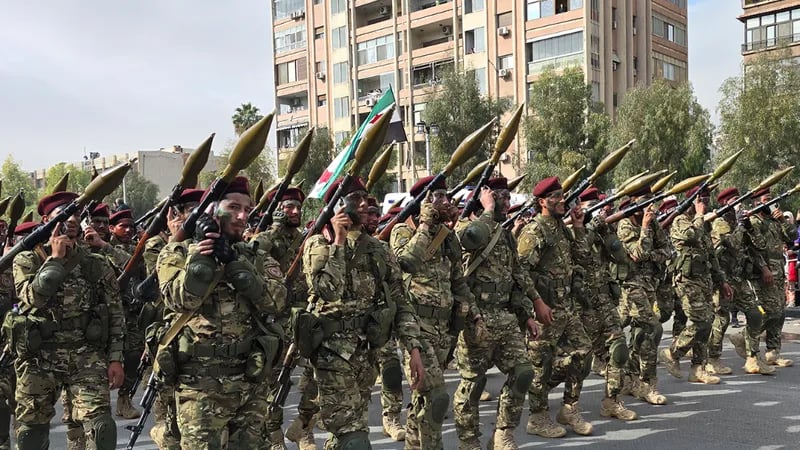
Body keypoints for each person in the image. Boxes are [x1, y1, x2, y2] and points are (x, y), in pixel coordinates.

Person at [157, 176, 287, 448]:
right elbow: (178, 300)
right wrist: (201, 258)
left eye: (247, 209)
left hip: (250, 379)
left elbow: (276, 302)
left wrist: (236, 263)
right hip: (200, 385)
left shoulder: (255, 256)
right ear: (211, 210)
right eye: (234, 207)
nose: (242, 216)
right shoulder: (177, 253)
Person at [302, 177, 425, 450]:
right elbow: (327, 290)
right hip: (332, 354)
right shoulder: (319, 244)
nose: (363, 204)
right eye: (355, 198)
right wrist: (339, 241)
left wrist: (413, 349)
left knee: (350, 432)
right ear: (338, 206)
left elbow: (399, 300)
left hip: (366, 353)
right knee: (354, 438)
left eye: (364, 198)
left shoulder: (378, 249)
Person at [12, 191, 126, 449]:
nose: (72, 220)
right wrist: (54, 260)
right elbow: (32, 298)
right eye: (64, 215)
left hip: (86, 354)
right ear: (46, 221)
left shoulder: (95, 262)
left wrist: (115, 358)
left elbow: (115, 312)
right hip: (40, 355)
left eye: (76, 214)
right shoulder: (28, 259)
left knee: (101, 429)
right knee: (31, 433)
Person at [390, 177, 476, 449]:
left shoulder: (446, 235)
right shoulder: (403, 230)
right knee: (436, 397)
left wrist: (473, 314)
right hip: (416, 326)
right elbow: (407, 262)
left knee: (423, 397)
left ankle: (414, 445)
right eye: (437, 196)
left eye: (445, 196)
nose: (445, 201)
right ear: (422, 202)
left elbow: (458, 280)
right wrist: (426, 226)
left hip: (443, 327)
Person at [455, 177, 540, 449]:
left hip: (505, 318)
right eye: (501, 196)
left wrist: (530, 309)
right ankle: (469, 441)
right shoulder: (466, 228)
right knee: (473, 385)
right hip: (475, 319)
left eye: (507, 197)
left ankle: (503, 432)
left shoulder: (504, 234)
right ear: (485, 198)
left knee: (523, 372)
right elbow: (468, 246)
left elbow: (516, 274)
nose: (507, 202)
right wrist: (488, 211)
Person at [518, 176, 593, 438]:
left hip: (566, 306)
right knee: (541, 364)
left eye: (563, 195)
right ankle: (537, 418)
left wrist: (579, 227)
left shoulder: (562, 228)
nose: (563, 200)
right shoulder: (534, 232)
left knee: (584, 351)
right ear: (542, 202)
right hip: (545, 309)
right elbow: (521, 272)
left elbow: (583, 258)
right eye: (556, 197)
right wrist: (536, 303)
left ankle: (569, 408)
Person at [257, 186, 319, 450]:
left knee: (318, 374)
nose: (295, 211)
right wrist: (274, 227)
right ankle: (273, 433)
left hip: (304, 317)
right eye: (288, 207)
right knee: (275, 382)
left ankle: (303, 426)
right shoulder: (267, 239)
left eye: (298, 207)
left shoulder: (307, 238)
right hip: (277, 321)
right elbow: (255, 255)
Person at [141, 188, 203, 450]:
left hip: (200, 339)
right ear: (176, 214)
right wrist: (176, 238)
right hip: (170, 335)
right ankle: (163, 435)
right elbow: (160, 285)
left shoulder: (206, 240)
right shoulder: (159, 245)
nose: (197, 214)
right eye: (191, 210)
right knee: (168, 408)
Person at [574, 187, 639, 418]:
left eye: (601, 207)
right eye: (593, 207)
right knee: (579, 358)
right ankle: (567, 406)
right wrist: (590, 229)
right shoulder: (572, 229)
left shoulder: (601, 231)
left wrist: (607, 231)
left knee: (619, 348)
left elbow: (620, 257)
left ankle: (612, 400)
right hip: (581, 303)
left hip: (604, 299)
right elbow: (579, 253)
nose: (600, 212)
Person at [660, 186, 733, 384]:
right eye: (701, 199)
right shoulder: (679, 220)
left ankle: (698, 368)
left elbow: (711, 255)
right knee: (700, 322)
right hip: (687, 280)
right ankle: (672, 352)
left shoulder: (702, 223)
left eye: (707, 199)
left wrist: (722, 281)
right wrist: (700, 215)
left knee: (707, 323)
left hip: (704, 280)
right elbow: (691, 235)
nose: (705, 203)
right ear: (692, 201)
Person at [615, 183, 671, 405]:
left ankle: (630, 378)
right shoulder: (625, 225)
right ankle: (648, 384)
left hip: (649, 284)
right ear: (633, 202)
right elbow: (637, 254)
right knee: (652, 328)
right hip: (631, 285)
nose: (650, 206)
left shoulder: (653, 223)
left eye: (651, 201)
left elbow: (666, 250)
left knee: (639, 333)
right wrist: (646, 228)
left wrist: (650, 252)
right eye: (645, 201)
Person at [709, 187, 774, 375]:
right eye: (735, 200)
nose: (739, 204)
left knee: (755, 314)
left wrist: (750, 227)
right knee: (722, 319)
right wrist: (739, 225)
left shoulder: (742, 222)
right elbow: (732, 245)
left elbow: (759, 246)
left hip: (739, 278)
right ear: (725, 203)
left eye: (740, 200)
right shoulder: (719, 223)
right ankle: (713, 359)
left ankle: (753, 358)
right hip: (722, 278)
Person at [748, 187, 796, 367]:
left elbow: (792, 236)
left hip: (778, 270)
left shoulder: (774, 221)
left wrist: (783, 220)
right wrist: (764, 268)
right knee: (771, 311)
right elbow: (753, 248)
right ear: (757, 202)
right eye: (767, 200)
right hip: (764, 271)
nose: (771, 203)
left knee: (780, 312)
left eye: (772, 199)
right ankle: (747, 340)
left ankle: (773, 352)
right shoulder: (754, 221)